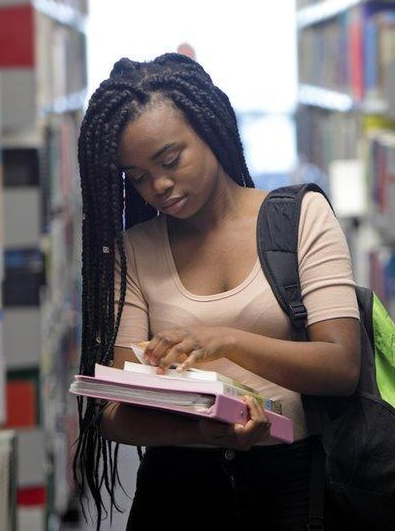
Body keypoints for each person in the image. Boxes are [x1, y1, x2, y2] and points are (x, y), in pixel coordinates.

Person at [73, 53, 360, 529]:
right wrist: (209, 432)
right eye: (137, 177)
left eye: (170, 160)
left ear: (210, 128)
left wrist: (225, 340)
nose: (159, 186)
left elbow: (342, 365)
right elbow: (112, 411)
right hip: (178, 489)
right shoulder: (133, 252)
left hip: (295, 486)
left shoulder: (300, 217)